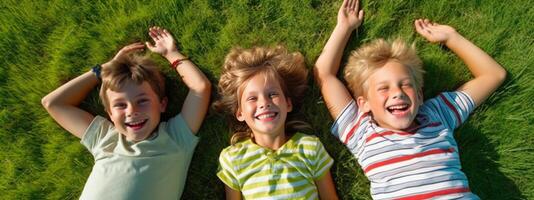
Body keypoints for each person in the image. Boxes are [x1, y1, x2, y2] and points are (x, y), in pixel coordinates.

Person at [314, 0, 506, 199]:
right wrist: (343, 28)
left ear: (420, 95)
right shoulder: (361, 132)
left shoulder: (437, 115)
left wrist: (451, 37)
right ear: (364, 104)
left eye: (405, 84)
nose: (398, 93)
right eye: (383, 88)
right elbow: (324, 75)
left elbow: (493, 75)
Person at [41, 26, 211, 199]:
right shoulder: (105, 138)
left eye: (142, 101)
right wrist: (104, 69)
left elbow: (200, 87)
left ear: (162, 104)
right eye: (120, 105)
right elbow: (52, 103)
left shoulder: (175, 138)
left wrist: (171, 53)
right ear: (109, 114)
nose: (132, 111)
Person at [214, 46, 339, 199]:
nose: (264, 103)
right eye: (252, 98)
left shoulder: (310, 148)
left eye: (272, 94)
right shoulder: (234, 159)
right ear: (240, 113)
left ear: (288, 104)